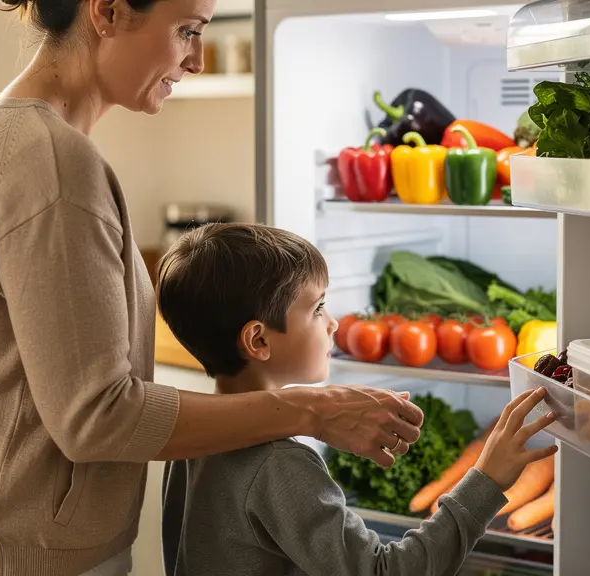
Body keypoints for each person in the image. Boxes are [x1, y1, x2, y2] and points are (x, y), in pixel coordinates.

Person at [0, 1, 425, 575]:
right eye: (187, 30)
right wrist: (311, 411)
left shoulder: (14, 132)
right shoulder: (53, 163)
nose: (198, 60)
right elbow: (96, 417)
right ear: (107, 11)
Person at [156, 223, 560, 576]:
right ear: (259, 340)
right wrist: (486, 480)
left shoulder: (194, 438)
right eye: (317, 308)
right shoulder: (278, 464)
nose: (333, 323)